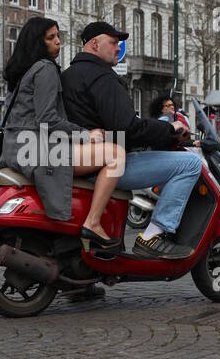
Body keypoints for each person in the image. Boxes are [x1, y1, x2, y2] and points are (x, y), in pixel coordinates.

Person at [62, 21, 203, 259]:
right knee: (190, 164)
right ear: (95, 44)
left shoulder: (68, 75)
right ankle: (153, 236)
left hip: (80, 160)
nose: (118, 48)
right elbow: (126, 127)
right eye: (113, 42)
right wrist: (169, 129)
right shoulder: (102, 77)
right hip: (107, 165)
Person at [1, 16, 125, 251]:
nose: (58, 41)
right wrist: (86, 135)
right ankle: (93, 222)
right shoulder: (45, 69)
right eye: (51, 38)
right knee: (115, 154)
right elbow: (47, 119)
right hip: (36, 150)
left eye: (58, 36)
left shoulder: (23, 71)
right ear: (38, 42)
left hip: (15, 148)